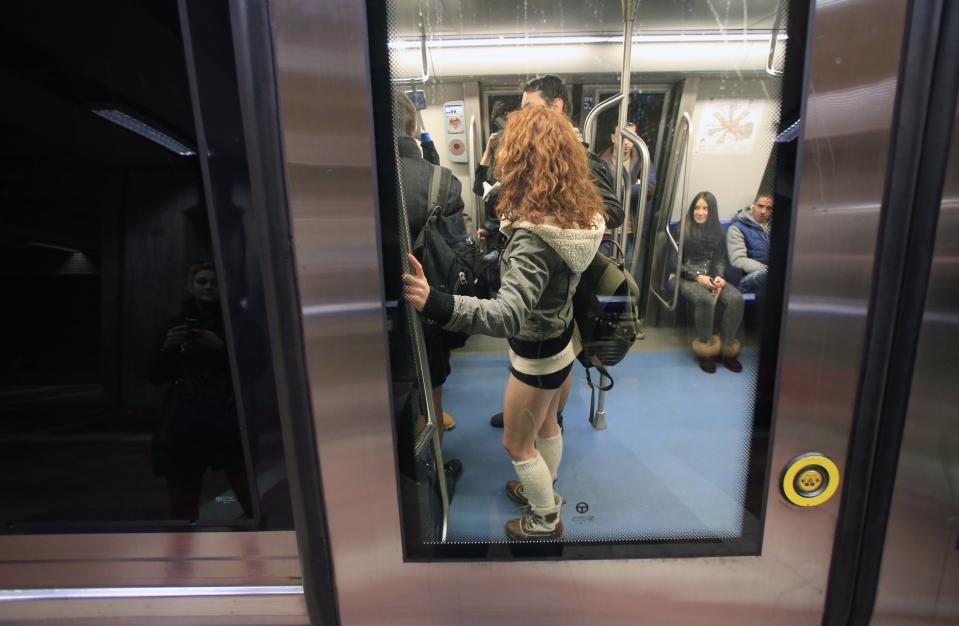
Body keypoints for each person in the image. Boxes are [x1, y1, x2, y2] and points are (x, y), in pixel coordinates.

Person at [403, 106, 606, 541]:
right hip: (563, 342)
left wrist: (435, 302)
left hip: (535, 354)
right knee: (549, 426)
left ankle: (544, 519)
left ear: (522, 161)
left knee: (517, 444)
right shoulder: (576, 215)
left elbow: (507, 313)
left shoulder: (536, 236)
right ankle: (544, 488)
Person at [474, 74, 624, 429]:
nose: (522, 116)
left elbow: (612, 212)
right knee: (551, 350)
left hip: (559, 269)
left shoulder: (579, 159)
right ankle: (541, 416)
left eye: (530, 108)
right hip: (540, 271)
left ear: (555, 107)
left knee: (551, 348)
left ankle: (544, 417)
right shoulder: (536, 158)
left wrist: (559, 217)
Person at [148, 262, 253, 520]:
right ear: (190, 287)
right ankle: (183, 544)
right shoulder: (175, 324)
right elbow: (154, 375)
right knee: (183, 499)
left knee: (247, 492)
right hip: (186, 416)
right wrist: (167, 348)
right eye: (202, 281)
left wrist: (221, 348)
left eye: (214, 283)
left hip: (228, 415)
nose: (208, 287)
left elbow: (257, 367)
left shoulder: (239, 322)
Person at [395, 92, 460, 433]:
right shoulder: (443, 182)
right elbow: (457, 255)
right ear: (414, 128)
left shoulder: (351, 181)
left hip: (372, 306)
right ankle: (432, 461)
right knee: (430, 369)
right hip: (427, 299)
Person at [675, 192, 744, 374]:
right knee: (705, 299)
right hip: (685, 276)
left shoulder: (718, 231)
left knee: (736, 298)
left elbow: (719, 260)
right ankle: (706, 349)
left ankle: (727, 348)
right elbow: (674, 263)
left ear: (711, 211)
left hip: (711, 275)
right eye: (697, 207)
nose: (700, 212)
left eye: (705, 208)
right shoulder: (682, 230)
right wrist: (697, 277)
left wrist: (719, 276)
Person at [727, 192, 773, 297]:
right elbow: (738, 259)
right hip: (748, 277)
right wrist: (766, 269)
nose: (763, 211)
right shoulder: (737, 228)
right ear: (753, 205)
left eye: (768, 208)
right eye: (760, 206)